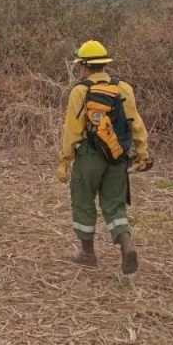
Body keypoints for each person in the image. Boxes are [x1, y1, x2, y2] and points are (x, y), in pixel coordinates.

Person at [56, 40, 152, 274]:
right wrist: (142, 153)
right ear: (104, 64)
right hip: (118, 156)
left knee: (83, 201)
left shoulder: (80, 91)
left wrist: (65, 161)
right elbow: (136, 124)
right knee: (115, 204)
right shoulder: (124, 89)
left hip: (89, 155)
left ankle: (88, 254)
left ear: (84, 66)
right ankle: (126, 244)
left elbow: (73, 130)